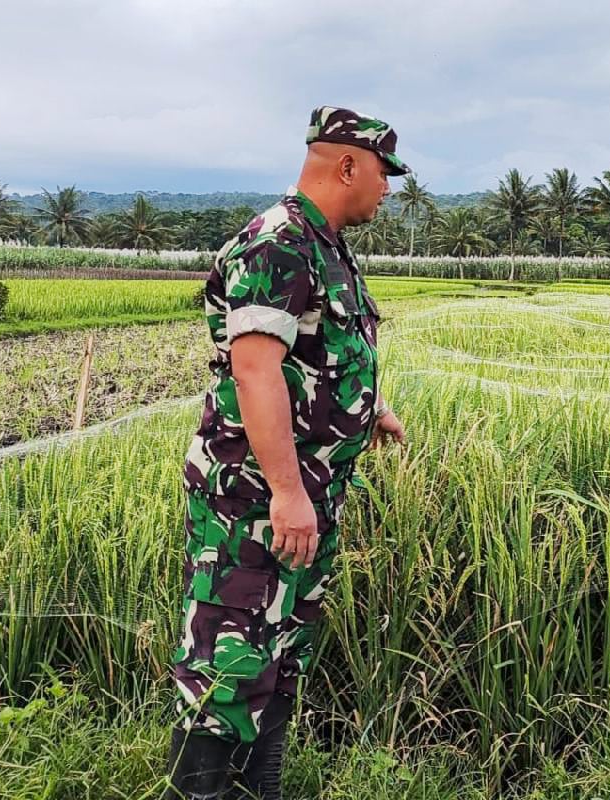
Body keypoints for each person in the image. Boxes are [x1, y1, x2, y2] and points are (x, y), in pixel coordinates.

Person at [164, 106, 410, 799]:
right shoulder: (278, 242)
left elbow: (319, 352)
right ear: (348, 166)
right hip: (253, 501)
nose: (388, 189)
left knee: (280, 654)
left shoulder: (325, 246)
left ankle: (259, 791)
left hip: (305, 496)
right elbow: (255, 370)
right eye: (384, 173)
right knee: (228, 662)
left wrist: (372, 409)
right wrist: (288, 492)